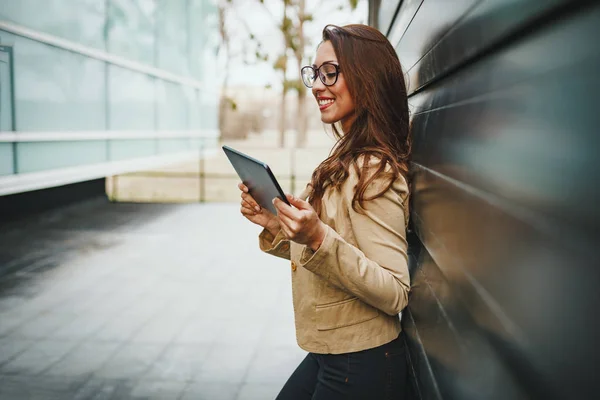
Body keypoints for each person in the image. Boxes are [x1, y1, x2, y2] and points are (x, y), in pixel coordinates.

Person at [238, 24, 411, 399]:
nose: (317, 85)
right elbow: (330, 252)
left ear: (368, 76)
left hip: (362, 360)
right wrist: (275, 223)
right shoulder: (344, 155)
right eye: (314, 73)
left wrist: (317, 235)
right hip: (331, 353)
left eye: (330, 72)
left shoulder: (372, 170)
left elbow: (395, 291)